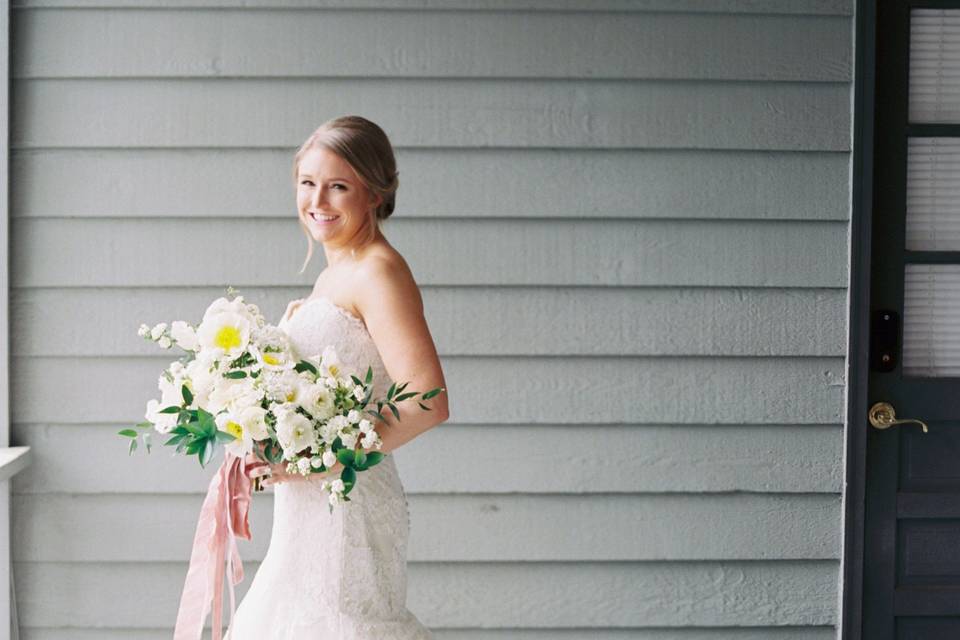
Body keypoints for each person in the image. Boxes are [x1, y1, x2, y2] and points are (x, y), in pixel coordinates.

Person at [224, 115, 449, 639]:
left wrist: (320, 463)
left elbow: (428, 401)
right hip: (308, 507)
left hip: (346, 504)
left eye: (338, 186)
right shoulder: (335, 272)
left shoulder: (377, 271)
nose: (317, 201)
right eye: (308, 183)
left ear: (374, 193)